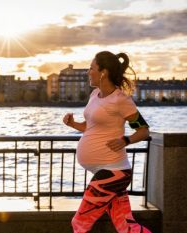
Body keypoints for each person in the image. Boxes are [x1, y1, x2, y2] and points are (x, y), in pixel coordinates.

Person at [63, 51, 151, 233]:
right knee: (126, 226)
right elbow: (90, 127)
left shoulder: (120, 100)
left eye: (91, 68)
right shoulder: (95, 95)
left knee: (79, 222)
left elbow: (143, 130)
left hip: (113, 172)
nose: (88, 72)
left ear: (103, 72)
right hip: (105, 170)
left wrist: (126, 140)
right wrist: (72, 124)